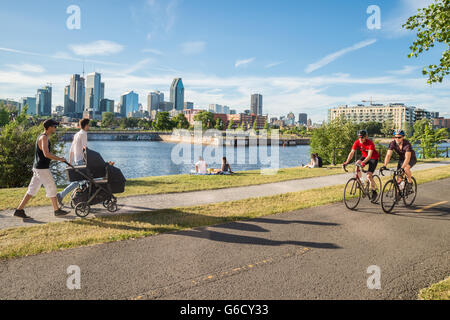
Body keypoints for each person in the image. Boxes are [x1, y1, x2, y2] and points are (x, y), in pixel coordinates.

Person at [13, 119, 70, 219]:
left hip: (37, 167)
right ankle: (57, 210)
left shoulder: (42, 136)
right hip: (42, 168)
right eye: (54, 127)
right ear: (49, 127)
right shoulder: (44, 138)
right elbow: (46, 154)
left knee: (32, 189)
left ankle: (19, 210)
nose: (56, 128)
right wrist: (60, 159)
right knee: (52, 187)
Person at [56, 118, 90, 205]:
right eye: (88, 125)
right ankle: (61, 195)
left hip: (76, 160)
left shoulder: (77, 134)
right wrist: (89, 159)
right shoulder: (84, 134)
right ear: (86, 125)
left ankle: (81, 198)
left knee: (81, 181)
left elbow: (71, 149)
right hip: (82, 160)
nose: (89, 126)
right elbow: (84, 149)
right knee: (82, 181)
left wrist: (70, 161)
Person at [343, 130, 380, 200]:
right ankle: (362, 181)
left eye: (362, 137)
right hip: (364, 156)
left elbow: (369, 156)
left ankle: (374, 191)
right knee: (357, 163)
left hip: (373, 158)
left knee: (369, 176)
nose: (360, 139)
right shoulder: (357, 142)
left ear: (366, 137)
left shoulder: (370, 143)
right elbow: (352, 152)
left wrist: (363, 163)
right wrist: (346, 162)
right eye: (359, 137)